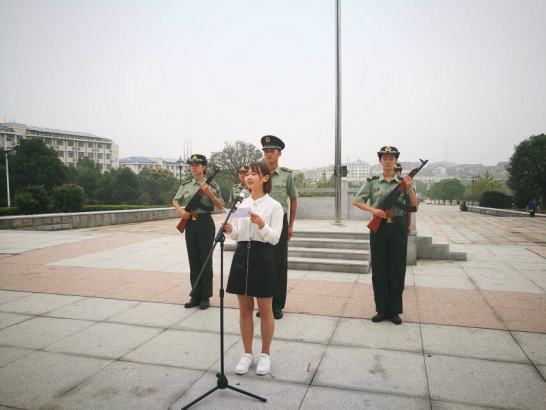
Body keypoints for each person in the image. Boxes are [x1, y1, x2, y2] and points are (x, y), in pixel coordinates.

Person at [224, 162, 284, 376]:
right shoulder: (241, 204)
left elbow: (275, 238)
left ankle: (265, 354)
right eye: (247, 174)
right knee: (244, 309)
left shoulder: (274, 206)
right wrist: (229, 230)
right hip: (242, 255)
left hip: (263, 256)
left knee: (266, 310)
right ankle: (247, 353)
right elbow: (237, 234)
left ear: (265, 178)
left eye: (254, 174)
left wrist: (261, 224)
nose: (248, 177)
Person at [353, 146, 419, 325]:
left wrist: (410, 188)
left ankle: (395, 311)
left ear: (396, 161)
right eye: (385, 158)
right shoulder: (372, 182)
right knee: (379, 269)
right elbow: (357, 201)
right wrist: (373, 210)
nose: (388, 161)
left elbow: (414, 207)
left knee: (397, 269)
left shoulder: (404, 182)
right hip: (379, 227)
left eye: (391, 158)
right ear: (380, 161)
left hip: (398, 226)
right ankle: (381, 310)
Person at [172, 154, 223, 310]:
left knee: (205, 260)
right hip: (190, 224)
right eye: (191, 165)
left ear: (204, 167)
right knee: (193, 260)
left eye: (197, 165)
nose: (193, 167)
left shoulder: (212, 185)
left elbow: (220, 206)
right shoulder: (186, 184)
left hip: (205, 223)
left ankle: (205, 296)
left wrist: (209, 193)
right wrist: (181, 211)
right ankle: (195, 295)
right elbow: (175, 200)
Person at [258, 135, 298, 320]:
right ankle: (264, 305)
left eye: (272, 151)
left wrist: (290, 225)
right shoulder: (258, 173)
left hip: (280, 221)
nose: (268, 154)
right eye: (266, 151)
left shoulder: (287, 175)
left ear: (279, 153)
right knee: (262, 264)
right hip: (260, 221)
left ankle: (277, 305)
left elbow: (293, 199)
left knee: (279, 264)